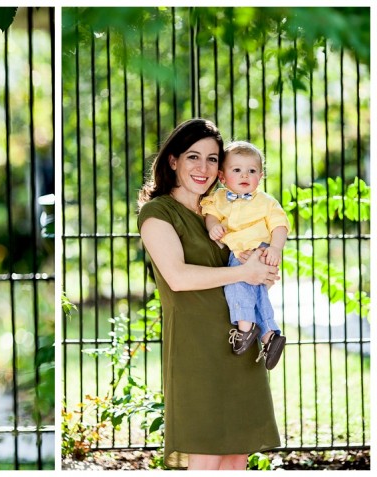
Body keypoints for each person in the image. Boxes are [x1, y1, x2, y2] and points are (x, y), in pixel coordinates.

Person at [137, 118, 281, 470]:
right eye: (193, 157)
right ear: (173, 161)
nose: (203, 168)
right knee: (207, 458)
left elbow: (255, 249)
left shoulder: (224, 211)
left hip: (239, 344)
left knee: (236, 458)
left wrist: (263, 265)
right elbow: (177, 276)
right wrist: (244, 271)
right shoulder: (157, 214)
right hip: (196, 349)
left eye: (213, 159)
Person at [202, 141, 289, 369]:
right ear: (222, 176)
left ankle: (245, 328)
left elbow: (280, 225)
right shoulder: (219, 198)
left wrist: (275, 248)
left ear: (260, 176)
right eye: (237, 170)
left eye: (251, 170)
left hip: (258, 249)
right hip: (239, 252)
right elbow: (210, 214)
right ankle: (270, 334)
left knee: (236, 285)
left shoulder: (267, 202)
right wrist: (213, 226)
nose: (244, 175)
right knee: (257, 292)